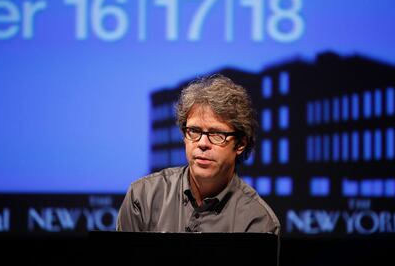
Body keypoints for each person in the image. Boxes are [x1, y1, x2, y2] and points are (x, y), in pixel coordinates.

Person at [116, 74, 280, 234]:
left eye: (216, 134)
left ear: (241, 144)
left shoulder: (258, 221)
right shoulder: (143, 197)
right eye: (194, 131)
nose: (202, 143)